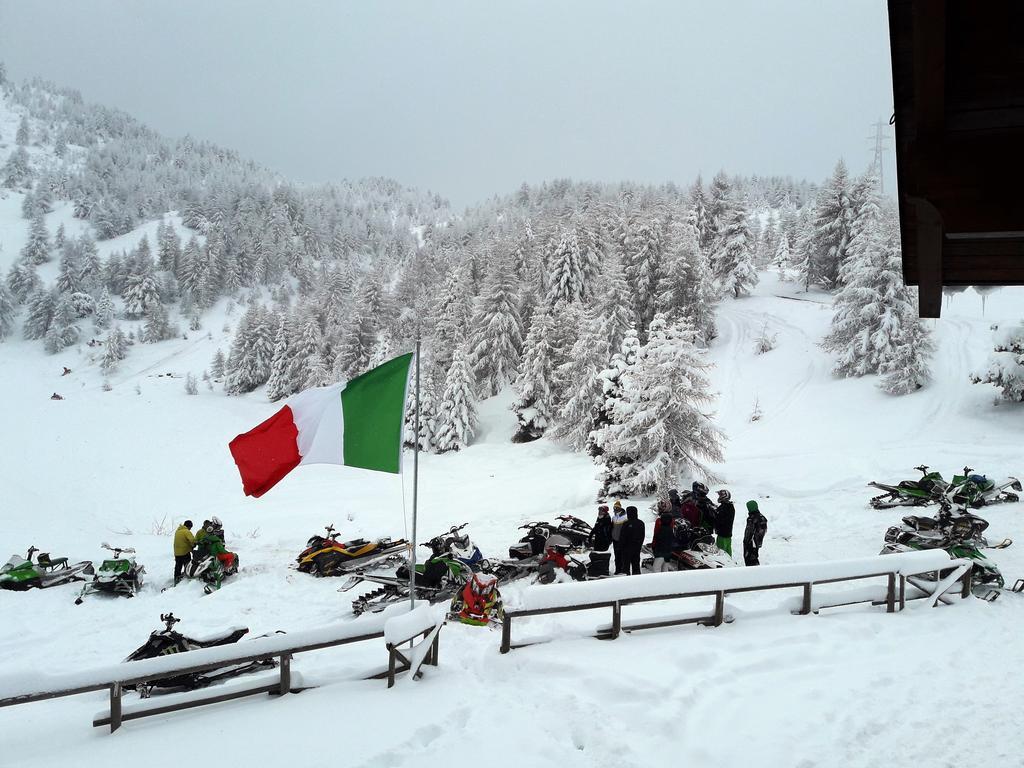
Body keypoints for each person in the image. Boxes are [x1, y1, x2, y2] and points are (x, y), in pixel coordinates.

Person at [620, 506, 646, 576]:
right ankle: (636, 581)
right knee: (636, 567)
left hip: (627, 549)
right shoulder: (641, 523)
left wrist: (622, 547)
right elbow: (642, 536)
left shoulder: (626, 523)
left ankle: (626, 582)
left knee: (626, 568)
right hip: (636, 548)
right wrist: (639, 545)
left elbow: (622, 537)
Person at [650, 505, 677, 572]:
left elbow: (656, 538)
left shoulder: (660, 526)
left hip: (660, 551)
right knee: (665, 568)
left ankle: (658, 581)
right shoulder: (671, 526)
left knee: (656, 568)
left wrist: (654, 547)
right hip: (668, 550)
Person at [743, 500, 768, 566]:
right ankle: (756, 571)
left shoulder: (752, 518)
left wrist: (746, 542)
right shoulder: (762, 517)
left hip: (751, 542)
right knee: (754, 557)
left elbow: (749, 532)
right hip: (757, 542)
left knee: (749, 559)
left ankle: (753, 573)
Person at [714, 490, 736, 556]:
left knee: (721, 552)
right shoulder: (730, 506)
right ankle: (730, 564)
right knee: (728, 551)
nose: (719, 497)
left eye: (720, 495)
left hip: (722, 534)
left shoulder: (724, 507)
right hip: (728, 533)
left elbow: (720, 519)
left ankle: (724, 565)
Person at [173, 520, 195, 584]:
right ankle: (187, 579)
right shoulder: (186, 531)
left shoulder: (177, 531)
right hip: (184, 552)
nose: (190, 529)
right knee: (187, 565)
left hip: (177, 552)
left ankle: (176, 578)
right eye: (190, 527)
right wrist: (193, 545)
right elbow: (192, 540)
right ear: (189, 526)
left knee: (178, 566)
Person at [610, 501, 628, 574]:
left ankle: (623, 569)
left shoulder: (625, 517)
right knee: (616, 555)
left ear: (620, 508)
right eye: (614, 507)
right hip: (615, 539)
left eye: (617, 507)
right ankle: (617, 569)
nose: (615, 509)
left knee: (622, 555)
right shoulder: (614, 517)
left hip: (622, 539)